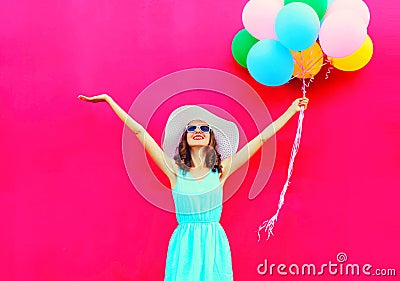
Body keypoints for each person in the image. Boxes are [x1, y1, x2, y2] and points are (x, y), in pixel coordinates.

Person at [78, 93, 309, 280]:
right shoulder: (173, 169)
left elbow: (260, 140)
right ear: (185, 139)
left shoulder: (222, 169)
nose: (198, 131)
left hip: (212, 241)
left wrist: (291, 110)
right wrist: (110, 100)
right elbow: (140, 132)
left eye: (204, 129)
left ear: (211, 139)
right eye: (191, 129)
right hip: (185, 243)